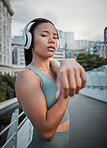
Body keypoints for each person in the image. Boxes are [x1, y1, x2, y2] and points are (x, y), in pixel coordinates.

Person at [15, 18, 86, 148]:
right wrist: (66, 91)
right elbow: (46, 133)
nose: (52, 40)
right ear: (28, 40)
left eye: (55, 37)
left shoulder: (53, 68)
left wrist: (65, 63)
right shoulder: (27, 76)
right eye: (44, 35)